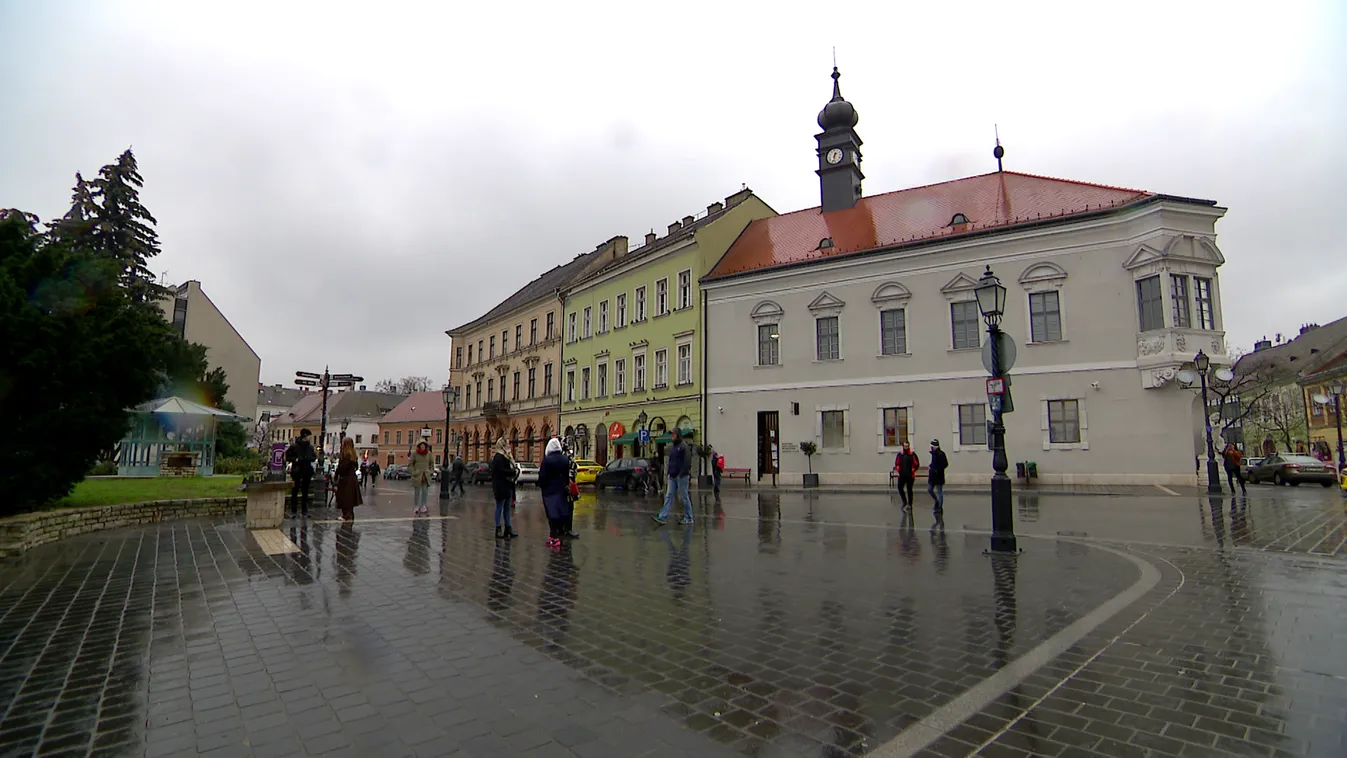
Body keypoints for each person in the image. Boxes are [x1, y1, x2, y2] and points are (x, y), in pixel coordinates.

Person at [653, 429, 694, 526]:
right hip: (672, 476)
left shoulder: (684, 446)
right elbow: (671, 462)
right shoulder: (672, 448)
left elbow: (687, 461)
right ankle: (663, 517)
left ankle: (689, 518)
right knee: (669, 496)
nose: (672, 436)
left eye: (674, 434)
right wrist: (669, 473)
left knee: (684, 497)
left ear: (678, 435)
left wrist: (682, 473)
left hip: (682, 476)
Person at [539, 438, 572, 548]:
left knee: (551, 514)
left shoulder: (547, 460)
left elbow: (542, 477)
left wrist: (542, 486)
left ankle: (553, 537)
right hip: (561, 490)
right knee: (559, 512)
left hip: (549, 491)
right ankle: (557, 535)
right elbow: (567, 476)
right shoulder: (564, 459)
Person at [284, 429, 318, 518]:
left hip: (307, 470)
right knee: (295, 491)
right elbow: (288, 456)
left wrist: (309, 458)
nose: (310, 437)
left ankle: (304, 511)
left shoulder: (310, 447)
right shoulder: (294, 446)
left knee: (305, 492)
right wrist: (295, 459)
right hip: (297, 470)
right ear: (305, 436)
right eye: (309, 436)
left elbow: (314, 456)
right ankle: (294, 511)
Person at [490, 438, 519, 539]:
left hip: (507, 485)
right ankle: (498, 529)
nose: (509, 446)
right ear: (503, 445)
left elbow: (512, 466)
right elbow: (501, 471)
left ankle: (508, 528)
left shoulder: (506, 456)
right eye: (507, 444)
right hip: (500, 486)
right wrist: (512, 472)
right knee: (499, 507)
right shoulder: (498, 457)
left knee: (507, 508)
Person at [334, 437, 363, 521]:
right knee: (350, 498)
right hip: (352, 478)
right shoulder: (353, 454)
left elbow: (342, 468)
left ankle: (346, 515)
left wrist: (337, 473)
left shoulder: (346, 455)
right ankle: (350, 514)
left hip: (345, 479)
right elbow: (356, 466)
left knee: (345, 497)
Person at [409, 441, 434, 515]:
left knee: (425, 491)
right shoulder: (414, 454)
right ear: (419, 446)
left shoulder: (429, 453)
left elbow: (432, 464)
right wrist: (414, 472)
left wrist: (430, 472)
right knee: (417, 492)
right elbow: (410, 464)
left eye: (424, 445)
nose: (422, 447)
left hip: (425, 475)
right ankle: (416, 506)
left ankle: (423, 505)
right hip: (417, 475)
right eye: (421, 445)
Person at [894, 441, 920, 509]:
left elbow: (917, 464)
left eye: (907, 446)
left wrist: (913, 470)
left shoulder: (912, 455)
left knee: (909, 490)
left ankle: (910, 504)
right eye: (905, 446)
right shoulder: (900, 455)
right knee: (900, 488)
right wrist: (899, 469)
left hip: (910, 476)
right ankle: (904, 501)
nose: (906, 447)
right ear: (903, 446)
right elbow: (897, 463)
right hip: (902, 475)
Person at [927, 439, 949, 520]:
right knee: (930, 489)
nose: (931, 447)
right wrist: (931, 466)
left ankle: (939, 507)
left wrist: (938, 469)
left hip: (939, 475)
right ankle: (936, 501)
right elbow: (933, 463)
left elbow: (945, 464)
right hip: (933, 475)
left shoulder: (941, 454)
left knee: (939, 491)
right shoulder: (933, 454)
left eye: (932, 446)